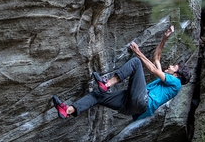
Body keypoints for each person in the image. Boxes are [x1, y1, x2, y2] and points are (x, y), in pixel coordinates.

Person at [52, 25, 191, 120]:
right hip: (131, 108)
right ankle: (68, 110)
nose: (171, 66)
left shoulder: (176, 83)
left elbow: (153, 69)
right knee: (98, 96)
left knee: (136, 62)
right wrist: (164, 38)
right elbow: (156, 59)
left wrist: (138, 52)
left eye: (175, 67)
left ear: (176, 75)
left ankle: (107, 84)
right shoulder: (167, 83)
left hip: (144, 101)